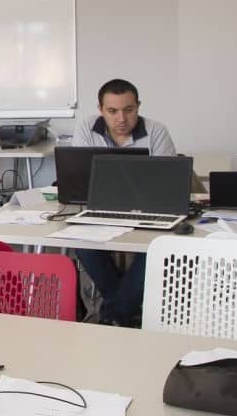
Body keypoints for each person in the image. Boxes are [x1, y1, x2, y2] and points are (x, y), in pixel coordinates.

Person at [72, 79, 177, 327]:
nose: (121, 118)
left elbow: (168, 184)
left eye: (128, 110)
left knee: (156, 249)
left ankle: (113, 315)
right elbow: (81, 177)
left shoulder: (156, 131)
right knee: (82, 243)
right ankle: (124, 312)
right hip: (99, 208)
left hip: (149, 209)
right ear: (100, 109)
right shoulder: (87, 128)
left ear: (138, 106)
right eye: (112, 111)